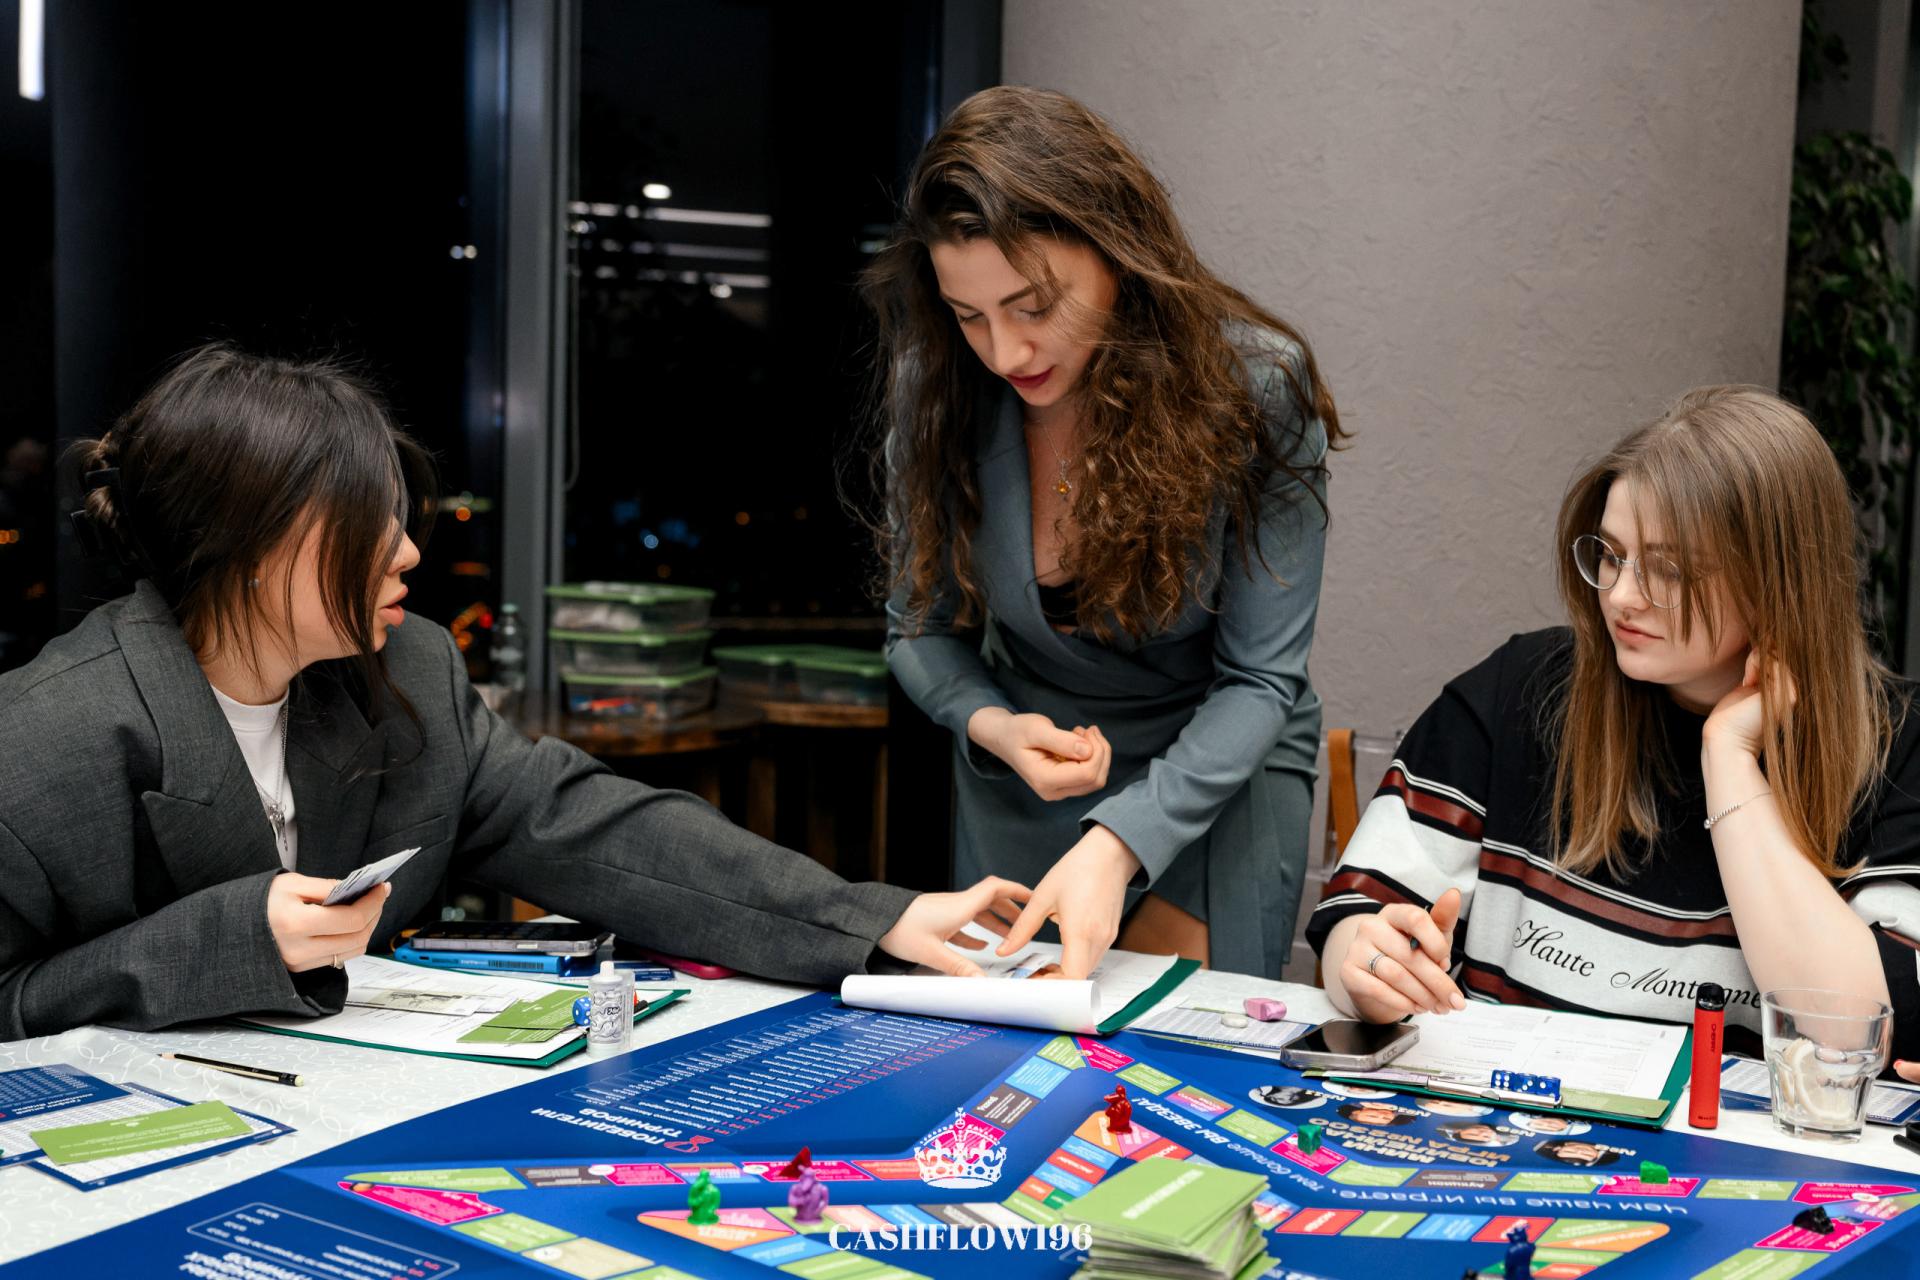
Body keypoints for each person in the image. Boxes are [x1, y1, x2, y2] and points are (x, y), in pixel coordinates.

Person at [0, 345, 1031, 1040]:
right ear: (252, 546)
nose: (408, 552)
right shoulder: (40, 743)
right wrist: (227, 939)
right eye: (369, 523)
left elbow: (595, 828)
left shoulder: (405, 672)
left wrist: (871, 920)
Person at [865, 86, 1341, 979]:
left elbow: (1259, 680)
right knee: (1018, 1049)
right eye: (969, 316)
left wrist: (1121, 841)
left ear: (1118, 251)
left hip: (1216, 774)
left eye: (1034, 305)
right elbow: (918, 630)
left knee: (1172, 1048)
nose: (1004, 352)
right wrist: (996, 727)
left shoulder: (1257, 389)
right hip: (1025, 781)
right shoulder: (939, 395)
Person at [1307, 387, 1920, 1061]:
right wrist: (1367, 969)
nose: (1622, 596)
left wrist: (1729, 758)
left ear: (1779, 581)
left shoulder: (1895, 746)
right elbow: (1353, 921)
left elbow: (1856, 1027)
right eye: (1611, 554)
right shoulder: (1522, 689)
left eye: (1670, 570)